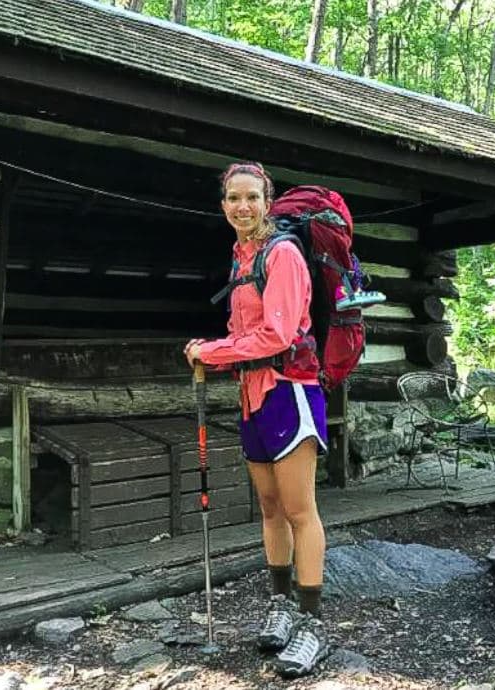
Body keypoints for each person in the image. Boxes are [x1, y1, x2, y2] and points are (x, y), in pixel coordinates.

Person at [184, 162, 329, 678]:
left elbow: (279, 335)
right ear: (223, 204)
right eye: (232, 199)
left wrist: (212, 351)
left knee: (299, 510)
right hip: (254, 394)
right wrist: (222, 353)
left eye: (251, 198)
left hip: (291, 393)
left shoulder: (282, 255)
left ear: (268, 201)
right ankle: (281, 606)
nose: (242, 207)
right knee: (269, 508)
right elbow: (245, 331)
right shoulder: (241, 257)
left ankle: (313, 626)